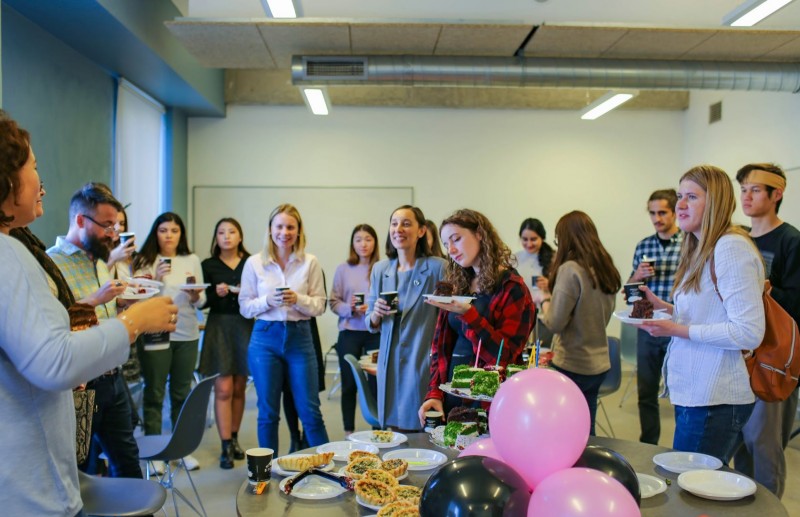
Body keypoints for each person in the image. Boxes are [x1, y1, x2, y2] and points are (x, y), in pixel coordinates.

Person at [0, 111, 178, 516]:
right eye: (33, 166)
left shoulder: (29, 251)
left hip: (94, 393)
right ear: (8, 179)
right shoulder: (11, 255)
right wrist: (134, 323)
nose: (41, 184)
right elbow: (54, 359)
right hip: (30, 489)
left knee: (125, 459)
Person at [638, 165, 765, 465]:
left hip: (715, 397)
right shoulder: (701, 247)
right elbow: (708, 314)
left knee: (689, 486)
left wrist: (674, 329)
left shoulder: (730, 247)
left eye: (691, 197)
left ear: (715, 202)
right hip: (697, 394)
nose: (680, 205)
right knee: (691, 484)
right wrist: (663, 307)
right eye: (680, 196)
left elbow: (748, 331)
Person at [47, 182, 144, 479]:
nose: (113, 234)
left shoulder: (100, 260)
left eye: (116, 226)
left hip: (113, 377)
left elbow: (104, 313)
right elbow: (50, 326)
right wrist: (95, 299)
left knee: (128, 465)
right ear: (80, 220)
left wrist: (121, 306)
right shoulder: (50, 264)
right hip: (80, 385)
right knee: (79, 473)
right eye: (107, 225)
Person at [418, 209, 535, 421]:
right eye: (445, 244)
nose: (451, 250)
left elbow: (505, 357)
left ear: (480, 234)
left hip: (489, 401)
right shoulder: (459, 285)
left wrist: (469, 314)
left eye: (456, 239)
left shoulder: (512, 288)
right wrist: (434, 392)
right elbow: (440, 347)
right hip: (451, 392)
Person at [732, 163, 800, 498]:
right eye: (744, 189)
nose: (746, 196)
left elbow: (796, 302)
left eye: (755, 190)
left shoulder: (791, 241)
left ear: (777, 195)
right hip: (738, 356)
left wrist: (764, 288)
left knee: (765, 445)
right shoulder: (738, 238)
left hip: (772, 359)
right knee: (739, 443)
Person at [239, 204, 329, 452]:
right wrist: (267, 301)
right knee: (268, 412)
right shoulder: (254, 263)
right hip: (265, 338)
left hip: (300, 338)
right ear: (270, 229)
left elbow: (320, 305)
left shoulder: (310, 262)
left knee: (310, 410)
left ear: (299, 231)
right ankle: (265, 470)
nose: (284, 232)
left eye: (290, 227)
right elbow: (245, 307)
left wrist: (297, 299)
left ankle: (328, 469)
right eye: (279, 226)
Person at [532, 211, 621, 435]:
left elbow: (554, 323)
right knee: (586, 428)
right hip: (599, 363)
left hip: (572, 363)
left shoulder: (570, 269)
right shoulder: (604, 267)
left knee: (565, 431)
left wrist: (544, 299)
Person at [132, 212, 206, 472]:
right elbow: (137, 300)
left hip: (186, 333)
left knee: (181, 394)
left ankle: (180, 450)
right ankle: (154, 453)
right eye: (163, 230)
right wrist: (155, 279)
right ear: (156, 233)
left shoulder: (191, 259)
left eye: (174, 230)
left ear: (181, 234)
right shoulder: (144, 261)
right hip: (156, 333)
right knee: (154, 393)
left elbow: (201, 301)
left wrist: (195, 296)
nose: (169, 235)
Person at [365, 205, 446, 431]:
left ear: (421, 231)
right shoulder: (380, 269)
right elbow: (369, 321)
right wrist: (376, 313)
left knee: (422, 427)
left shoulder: (437, 268)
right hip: (389, 361)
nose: (398, 229)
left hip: (421, 358)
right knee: (393, 429)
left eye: (406, 224)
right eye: (394, 223)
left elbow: (448, 318)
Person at [626, 189, 683, 445]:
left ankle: (683, 447)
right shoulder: (644, 245)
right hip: (647, 324)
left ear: (674, 212)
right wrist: (637, 276)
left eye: (662, 212)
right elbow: (630, 290)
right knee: (646, 392)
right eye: (652, 213)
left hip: (677, 326)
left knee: (682, 393)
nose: (657, 218)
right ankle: (649, 444)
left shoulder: (689, 242)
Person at [200, 218, 254, 469]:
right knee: (223, 388)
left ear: (240, 236)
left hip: (245, 325)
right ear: (216, 237)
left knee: (240, 386)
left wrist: (244, 291)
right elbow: (202, 300)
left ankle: (234, 438)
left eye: (232, 232)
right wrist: (216, 293)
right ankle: (224, 445)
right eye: (221, 232)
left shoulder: (251, 262)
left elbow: (261, 294)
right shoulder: (208, 265)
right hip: (219, 325)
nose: (227, 236)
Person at [329, 223, 381, 435]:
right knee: (349, 383)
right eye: (358, 240)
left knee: (376, 384)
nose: (363, 244)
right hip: (349, 331)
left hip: (375, 332)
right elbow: (333, 302)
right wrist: (349, 308)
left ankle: (378, 430)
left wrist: (373, 309)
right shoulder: (343, 269)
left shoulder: (381, 268)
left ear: (375, 242)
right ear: (352, 243)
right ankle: (348, 431)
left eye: (368, 239)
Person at [515, 218, 555, 347]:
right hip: (520, 318)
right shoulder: (514, 259)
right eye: (525, 239)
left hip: (544, 318)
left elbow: (566, 290)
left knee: (541, 353)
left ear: (542, 238)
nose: (529, 243)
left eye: (533, 239)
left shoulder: (555, 258)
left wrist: (551, 284)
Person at [106, 205, 136, 282]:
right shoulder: (94, 253)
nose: (118, 228)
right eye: (113, 223)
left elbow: (120, 283)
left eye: (122, 223)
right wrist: (113, 258)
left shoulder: (125, 253)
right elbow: (95, 282)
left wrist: (131, 284)